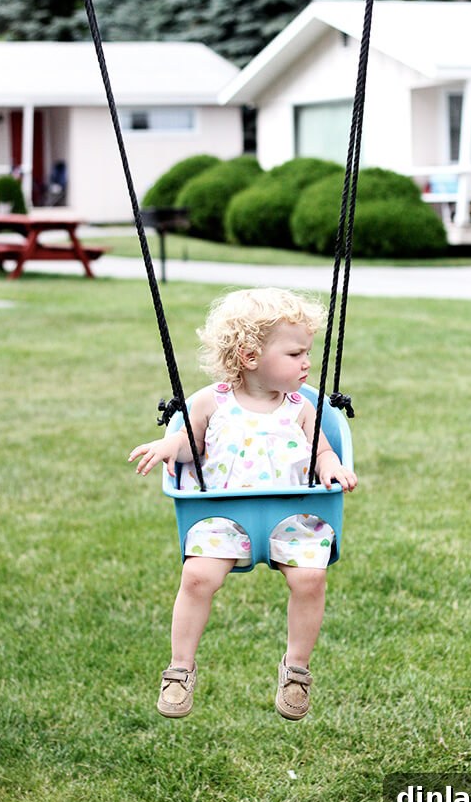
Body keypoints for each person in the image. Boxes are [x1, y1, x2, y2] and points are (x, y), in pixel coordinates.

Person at [128, 287, 357, 721]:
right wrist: (168, 445)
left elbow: (323, 451)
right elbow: (190, 443)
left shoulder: (301, 409)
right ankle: (180, 668)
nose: (307, 363)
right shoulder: (211, 402)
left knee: (311, 579)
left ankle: (296, 669)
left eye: (308, 353)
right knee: (197, 576)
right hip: (223, 519)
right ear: (250, 357)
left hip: (293, 518)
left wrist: (332, 468)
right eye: (296, 354)